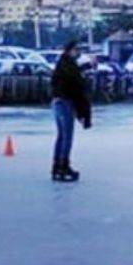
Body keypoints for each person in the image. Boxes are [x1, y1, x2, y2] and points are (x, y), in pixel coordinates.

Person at [50, 41, 92, 182]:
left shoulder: (64, 63)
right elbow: (75, 84)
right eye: (76, 49)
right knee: (67, 136)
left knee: (62, 136)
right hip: (65, 102)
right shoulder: (67, 65)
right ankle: (63, 166)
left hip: (59, 101)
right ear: (70, 50)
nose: (78, 52)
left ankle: (57, 166)